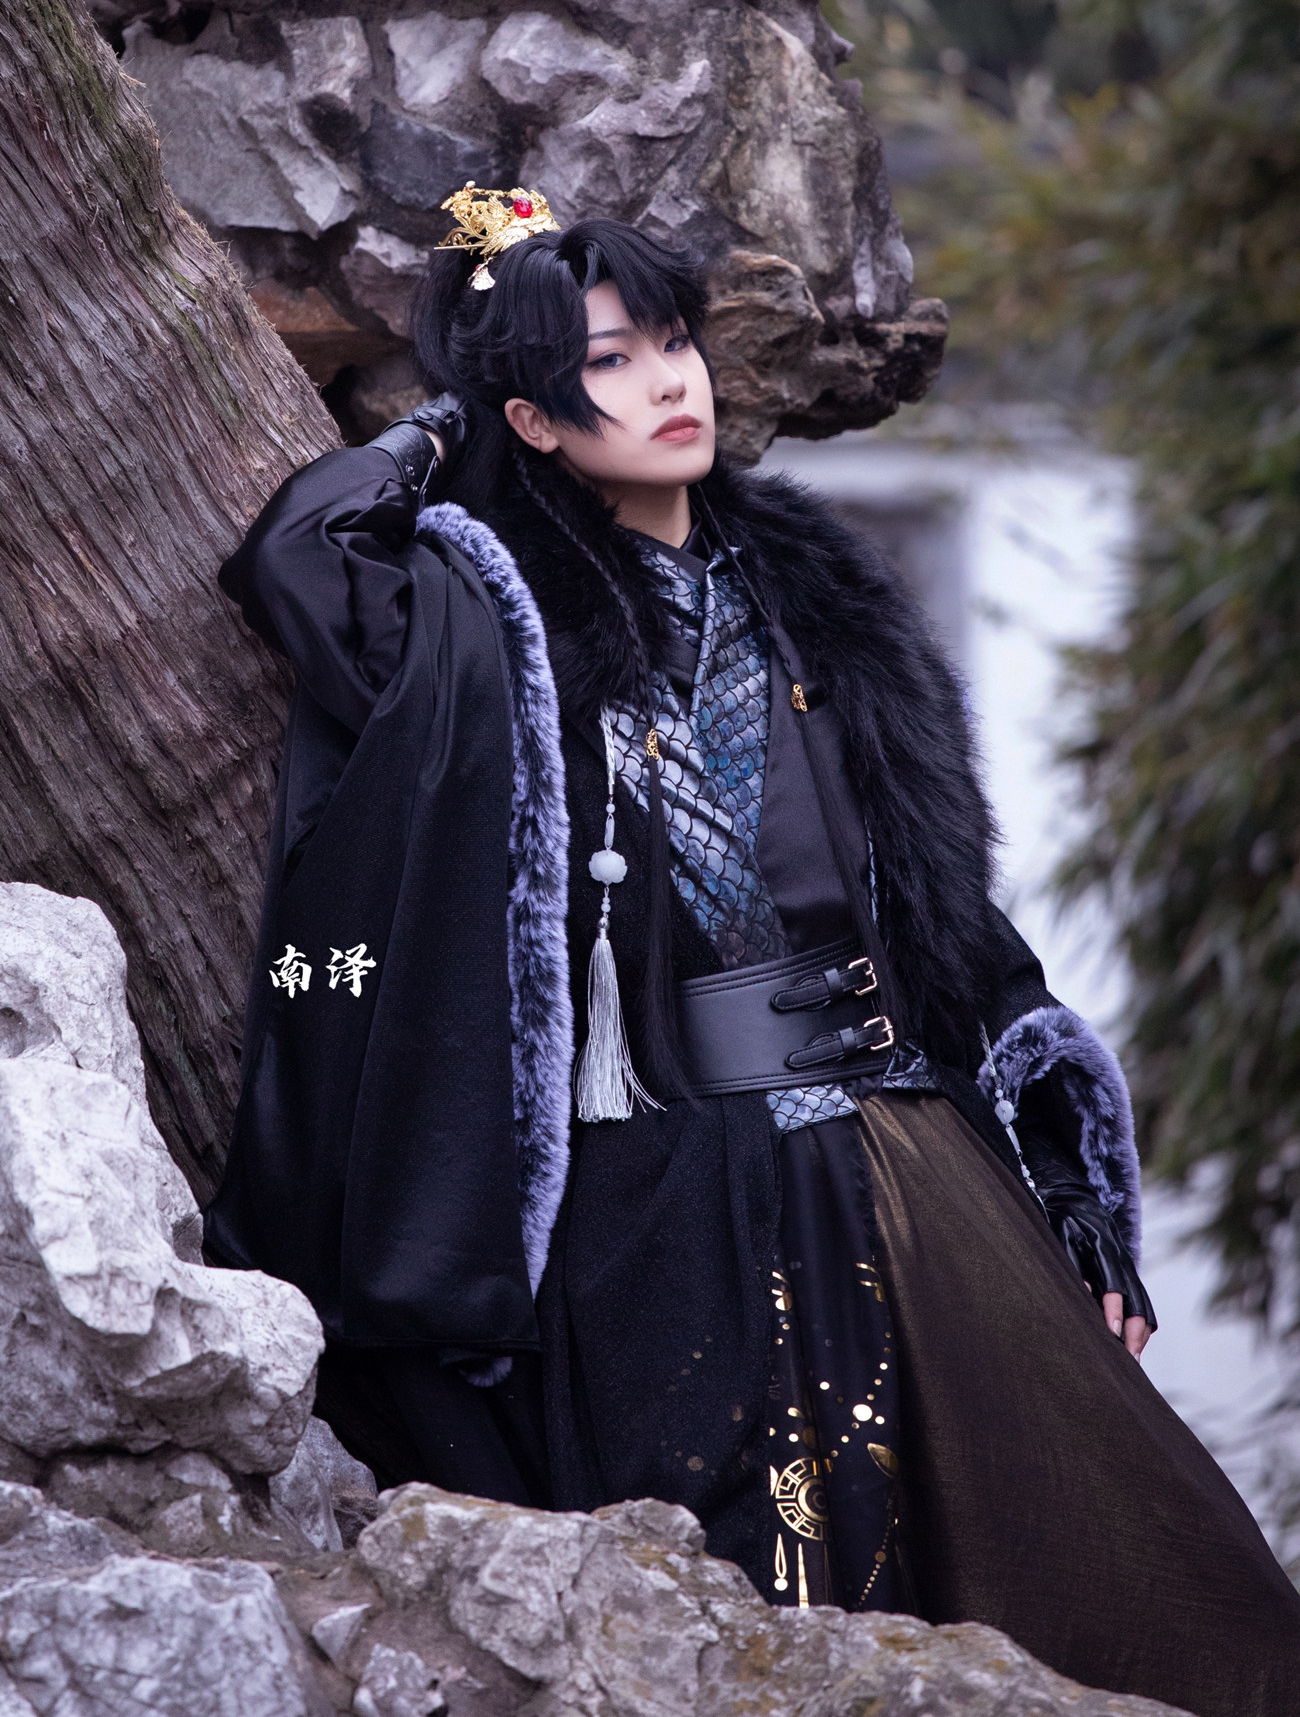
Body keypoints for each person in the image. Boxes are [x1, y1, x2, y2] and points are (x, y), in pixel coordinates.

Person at [206, 185, 1300, 1716]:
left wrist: (1061, 1173)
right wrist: (450, 433)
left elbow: (943, 914)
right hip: (665, 1195)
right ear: (533, 416)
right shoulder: (492, 619)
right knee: (749, 1617)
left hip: (907, 1152)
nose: (670, 382)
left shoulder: (822, 599)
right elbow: (298, 555)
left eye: (672, 341)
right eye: (604, 364)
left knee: (1138, 1565)